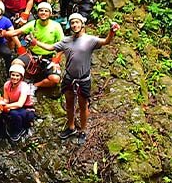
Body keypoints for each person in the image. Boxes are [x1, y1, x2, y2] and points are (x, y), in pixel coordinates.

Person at [33, 14, 120, 145]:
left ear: (82, 24)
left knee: (83, 105)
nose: (75, 25)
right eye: (72, 23)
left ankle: (83, 130)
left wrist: (111, 32)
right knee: (69, 103)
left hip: (83, 79)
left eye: (77, 23)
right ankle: (71, 126)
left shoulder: (90, 40)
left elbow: (106, 41)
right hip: (69, 77)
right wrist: (35, 42)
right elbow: (51, 47)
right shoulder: (66, 41)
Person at [2, 1, 65, 89]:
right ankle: (24, 81)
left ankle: (34, 86)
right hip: (33, 54)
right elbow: (17, 32)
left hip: (49, 56)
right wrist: (3, 33)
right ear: (38, 13)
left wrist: (56, 59)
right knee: (16, 63)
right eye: (41, 11)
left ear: (50, 13)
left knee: (55, 79)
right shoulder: (33, 24)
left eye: (46, 11)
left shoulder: (56, 26)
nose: (43, 13)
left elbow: (63, 44)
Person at [0, 61, 36, 142]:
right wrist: (1, 105)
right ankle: (10, 124)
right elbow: (6, 99)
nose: (14, 78)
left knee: (13, 113)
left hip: (26, 109)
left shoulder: (24, 86)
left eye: (17, 76)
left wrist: (6, 107)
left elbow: (20, 104)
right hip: (13, 106)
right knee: (0, 112)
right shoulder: (7, 84)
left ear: (21, 77)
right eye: (13, 75)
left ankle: (19, 130)